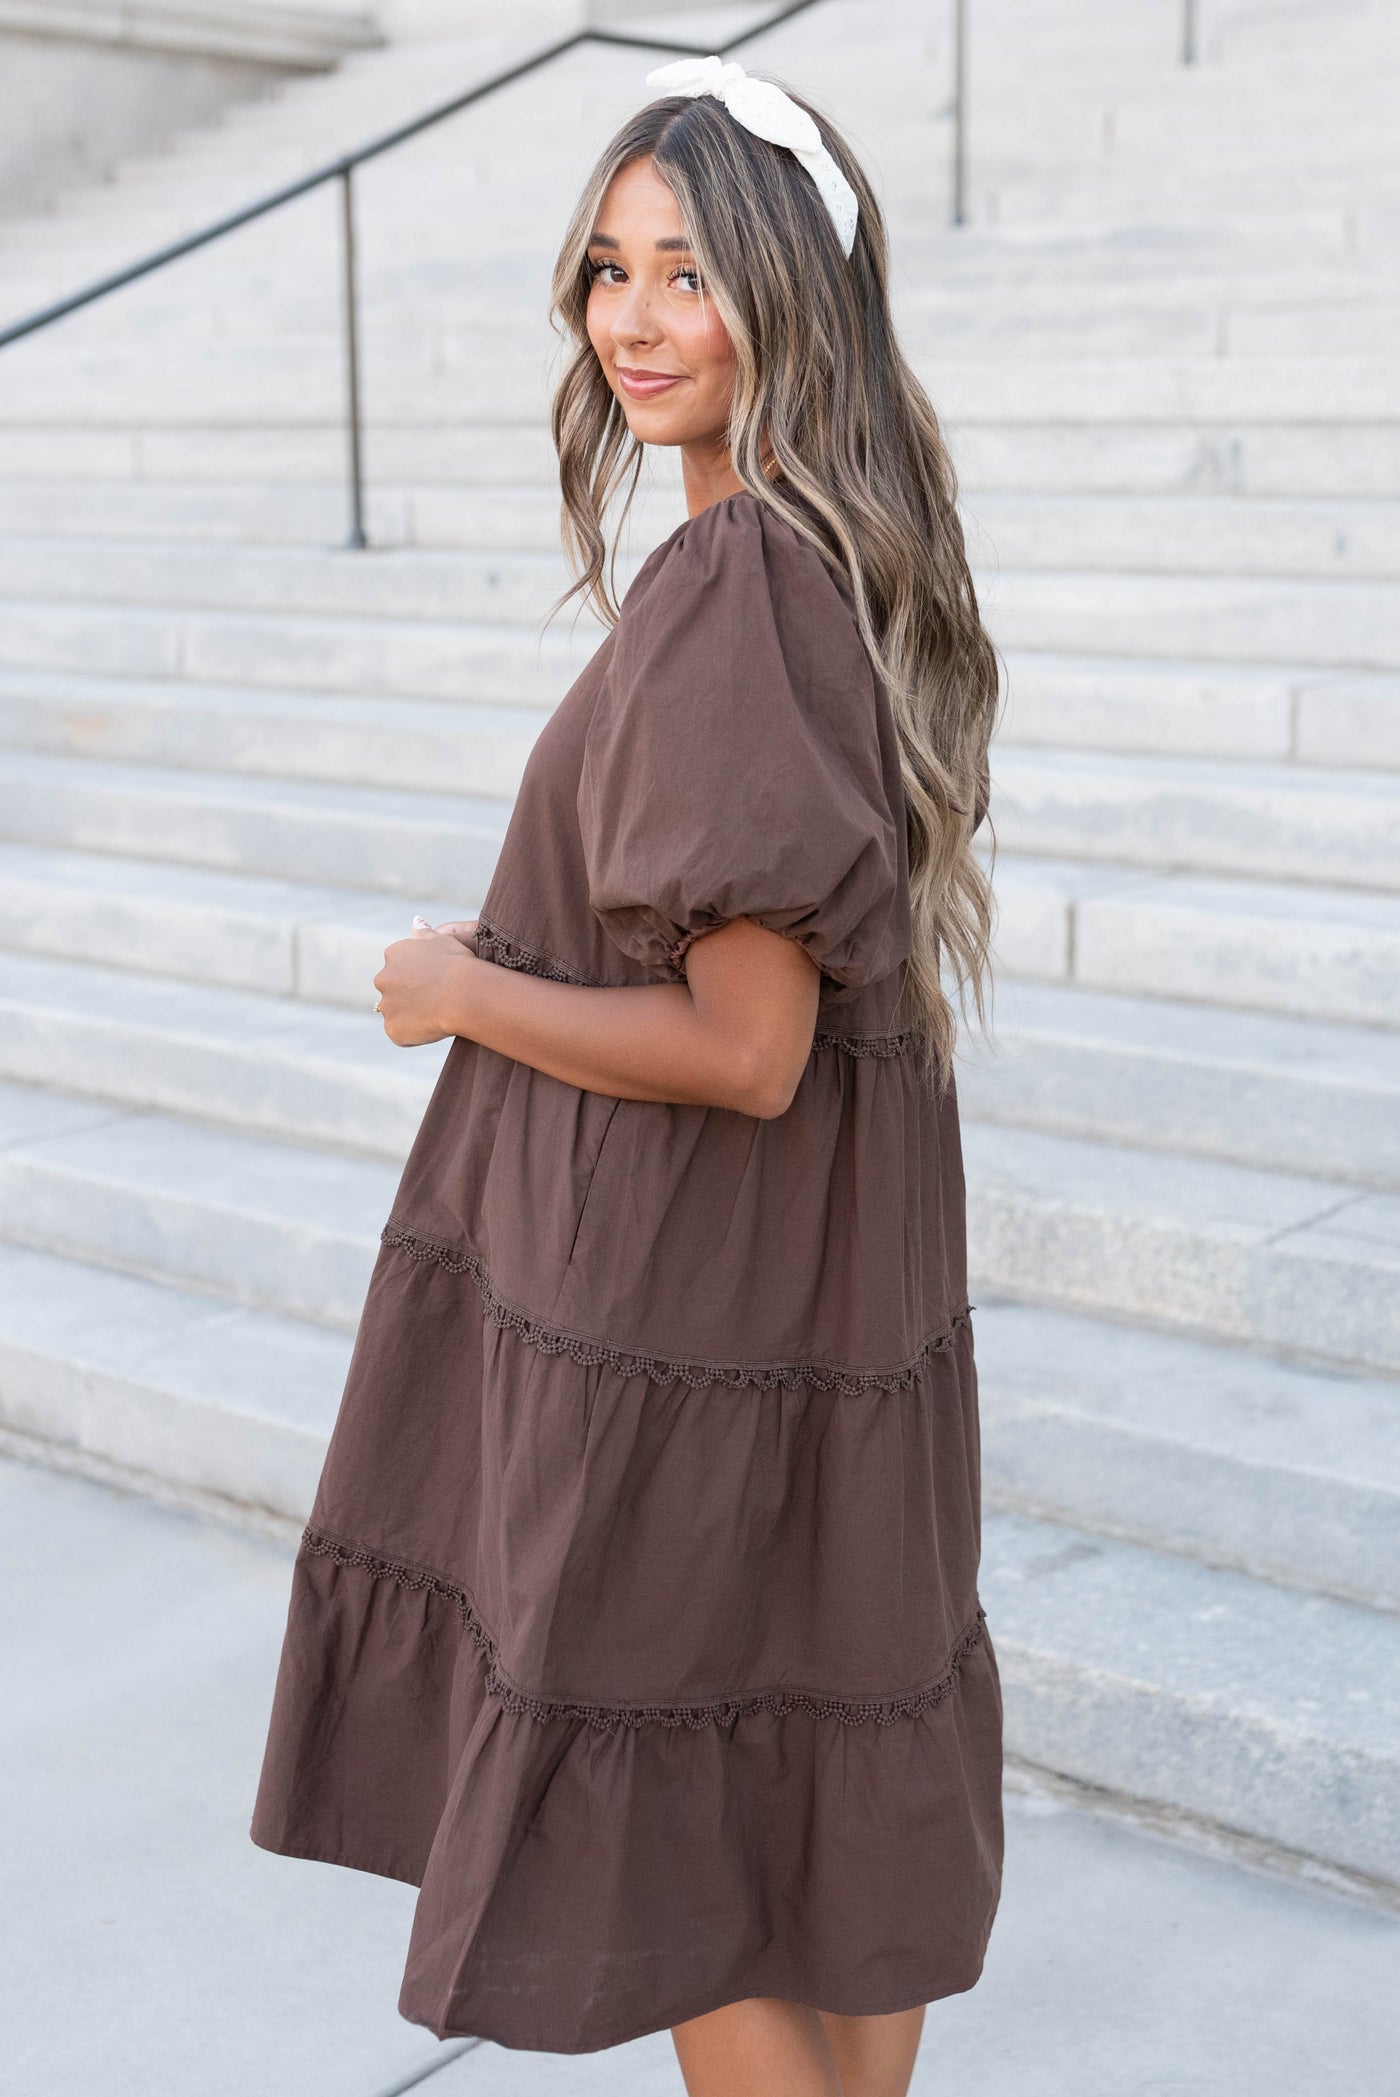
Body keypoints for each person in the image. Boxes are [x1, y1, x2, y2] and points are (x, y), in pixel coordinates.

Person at [251, 54, 1004, 2097]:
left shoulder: (738, 576)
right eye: (607, 269)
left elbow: (743, 1049)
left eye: (688, 272)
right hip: (806, 1315)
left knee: (680, 1848)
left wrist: (452, 985)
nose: (637, 319)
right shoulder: (820, 555)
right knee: (813, 1806)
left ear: (788, 297)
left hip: (700, 1310)